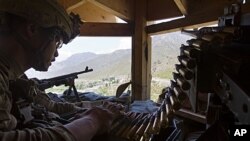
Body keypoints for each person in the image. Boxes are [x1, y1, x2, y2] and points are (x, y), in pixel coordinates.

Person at [0, 0, 121, 140]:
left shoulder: (17, 78)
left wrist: (89, 112)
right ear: (31, 29)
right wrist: (92, 121)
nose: (56, 53)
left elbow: (50, 106)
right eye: (57, 42)